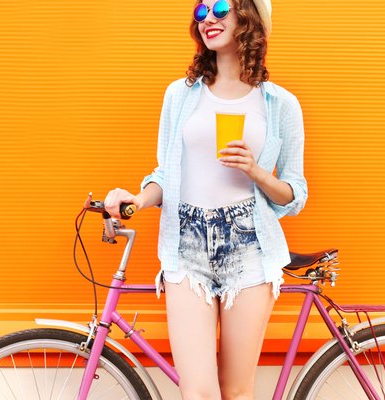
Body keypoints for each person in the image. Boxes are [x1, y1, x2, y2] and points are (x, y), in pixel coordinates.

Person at [103, 1, 306, 398]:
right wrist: (137, 200)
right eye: (200, 11)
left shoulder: (279, 104)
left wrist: (256, 171)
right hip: (186, 244)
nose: (208, 19)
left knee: (237, 390)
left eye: (219, 7)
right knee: (197, 392)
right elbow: (165, 174)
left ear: (248, 17)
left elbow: (294, 196)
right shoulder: (180, 95)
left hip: (250, 246)